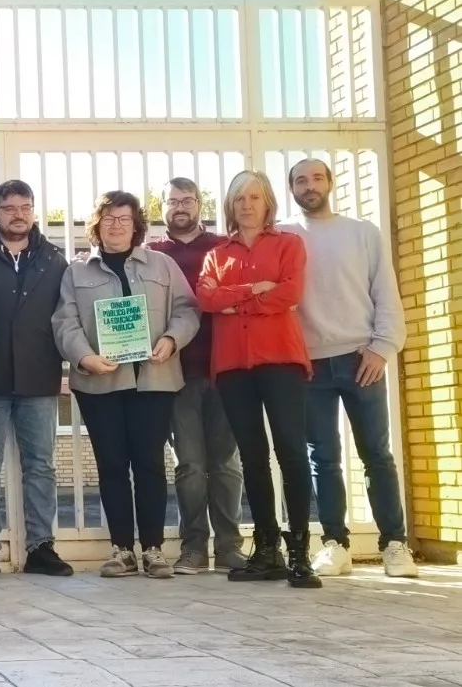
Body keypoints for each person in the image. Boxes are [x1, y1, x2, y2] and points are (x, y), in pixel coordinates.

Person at [280, 158, 417, 578]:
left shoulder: (363, 233)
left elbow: (386, 294)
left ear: (330, 183)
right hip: (311, 364)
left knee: (376, 454)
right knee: (322, 457)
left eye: (317, 177)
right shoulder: (284, 235)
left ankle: (394, 544)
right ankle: (335, 543)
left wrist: (382, 348)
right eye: (300, 180)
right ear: (292, 189)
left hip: (362, 358)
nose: (309, 186)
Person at [53, 191, 199, 580]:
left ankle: (152, 549)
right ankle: (121, 550)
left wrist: (171, 340)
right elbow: (64, 323)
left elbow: (187, 310)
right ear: (97, 225)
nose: (116, 225)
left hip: (155, 381)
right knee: (112, 466)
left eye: (124, 218)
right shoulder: (76, 271)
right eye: (108, 218)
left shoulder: (163, 265)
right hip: (100, 384)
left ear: (137, 226)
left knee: (150, 464)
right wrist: (85, 357)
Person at [196, 170, 320, 588]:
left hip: (280, 360)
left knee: (290, 449)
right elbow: (206, 298)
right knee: (251, 455)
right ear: (230, 206)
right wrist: (254, 289)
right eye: (239, 198)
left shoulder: (289, 244)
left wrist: (235, 302)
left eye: (254, 197)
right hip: (233, 366)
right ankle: (267, 548)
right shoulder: (217, 254)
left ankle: (300, 550)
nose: (246, 205)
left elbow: (290, 293)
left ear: (268, 202)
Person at [0, 180, 73, 578]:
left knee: (41, 466)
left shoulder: (54, 260)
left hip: (39, 377)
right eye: (9, 208)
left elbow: (67, 315)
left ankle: (41, 547)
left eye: (25, 207)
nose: (18, 214)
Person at [150, 177, 246, 576]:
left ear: (200, 205)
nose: (180, 208)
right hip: (176, 374)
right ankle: (193, 548)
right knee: (189, 464)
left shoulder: (224, 248)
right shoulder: (152, 254)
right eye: (172, 201)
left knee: (225, 464)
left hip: (225, 369)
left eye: (187, 200)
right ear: (162, 208)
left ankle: (229, 547)